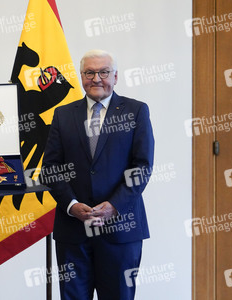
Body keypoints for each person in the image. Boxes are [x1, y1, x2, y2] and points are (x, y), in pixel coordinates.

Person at [42, 49, 154, 300]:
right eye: (89, 72)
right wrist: (71, 205)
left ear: (115, 77)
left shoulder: (136, 111)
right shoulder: (63, 115)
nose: (96, 78)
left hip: (121, 229)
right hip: (73, 230)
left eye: (103, 72)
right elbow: (51, 168)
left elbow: (142, 166)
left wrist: (114, 206)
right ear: (81, 76)